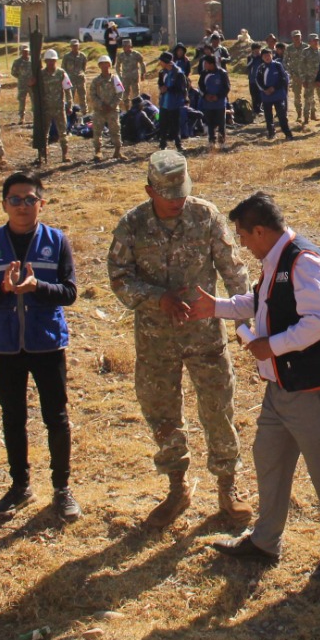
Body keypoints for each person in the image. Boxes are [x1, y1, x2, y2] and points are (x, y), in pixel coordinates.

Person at [192, 193, 320, 581]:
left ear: (261, 230)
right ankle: (266, 542)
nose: (244, 244)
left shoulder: (303, 260)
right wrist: (215, 307)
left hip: (310, 387)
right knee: (268, 458)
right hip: (282, 386)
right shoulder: (275, 260)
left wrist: (272, 345)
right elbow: (262, 303)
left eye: (244, 236)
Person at [108, 152, 254, 529]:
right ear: (149, 190)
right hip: (156, 341)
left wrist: (246, 320)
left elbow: (233, 269)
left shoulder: (205, 215)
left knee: (218, 410)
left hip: (205, 335)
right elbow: (120, 278)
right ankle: (177, 486)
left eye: (181, 192)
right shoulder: (132, 225)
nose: (177, 200)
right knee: (162, 414)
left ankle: (228, 484)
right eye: (168, 194)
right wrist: (158, 297)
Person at [0, 170, 81, 522]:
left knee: (56, 417)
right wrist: (1, 290)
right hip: (5, 346)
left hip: (46, 342)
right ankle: (20, 486)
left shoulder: (56, 240)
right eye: (15, 200)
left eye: (30, 199)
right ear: (4, 204)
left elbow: (70, 292)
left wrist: (37, 288)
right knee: (12, 417)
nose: (22, 206)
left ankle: (62, 489)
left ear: (41, 203)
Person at [34, 49, 72, 165]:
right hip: (45, 109)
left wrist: (69, 105)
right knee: (44, 133)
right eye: (49, 61)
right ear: (45, 61)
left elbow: (67, 90)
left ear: (56, 61)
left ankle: (65, 153)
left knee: (62, 132)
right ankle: (42, 154)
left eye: (53, 61)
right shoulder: (40, 74)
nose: (51, 63)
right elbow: (34, 90)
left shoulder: (61, 73)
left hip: (59, 107)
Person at [88, 56, 124, 161]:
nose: (104, 66)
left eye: (106, 63)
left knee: (115, 130)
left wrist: (112, 105)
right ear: (99, 66)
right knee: (97, 131)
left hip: (112, 110)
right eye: (102, 64)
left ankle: (117, 151)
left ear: (109, 65)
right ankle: (98, 151)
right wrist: (101, 105)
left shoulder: (115, 79)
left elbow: (120, 93)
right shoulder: (95, 81)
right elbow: (92, 94)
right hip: (99, 110)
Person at [255, 46, 293, 141]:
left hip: (278, 95)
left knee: (282, 116)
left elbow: (283, 79)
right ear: (262, 57)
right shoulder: (261, 68)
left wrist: (274, 88)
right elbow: (258, 81)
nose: (267, 57)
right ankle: (271, 132)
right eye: (265, 56)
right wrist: (265, 90)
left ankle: (288, 134)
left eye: (269, 55)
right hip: (266, 96)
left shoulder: (277, 65)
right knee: (268, 116)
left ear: (272, 55)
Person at [155, 52, 190, 153]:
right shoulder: (162, 72)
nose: (160, 63)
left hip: (174, 103)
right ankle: (163, 144)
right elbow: (160, 83)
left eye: (161, 61)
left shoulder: (178, 73)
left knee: (175, 125)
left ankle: (178, 144)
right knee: (163, 124)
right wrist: (161, 87)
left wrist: (168, 89)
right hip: (164, 103)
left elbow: (182, 88)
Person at [198, 53, 231, 149]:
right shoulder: (204, 73)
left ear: (212, 64)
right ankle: (211, 141)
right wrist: (205, 95)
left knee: (221, 123)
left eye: (206, 63)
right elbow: (200, 87)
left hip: (219, 103)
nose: (205, 65)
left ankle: (222, 142)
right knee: (210, 123)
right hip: (208, 103)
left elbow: (227, 87)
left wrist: (218, 96)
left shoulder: (222, 73)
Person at [286, 31, 317, 128]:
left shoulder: (306, 47)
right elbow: (284, 62)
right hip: (295, 76)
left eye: (298, 37)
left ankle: (313, 112)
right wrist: (291, 74)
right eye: (295, 37)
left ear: (301, 37)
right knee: (297, 96)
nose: (297, 38)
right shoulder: (289, 48)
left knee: (309, 95)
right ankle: (299, 114)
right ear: (292, 38)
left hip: (307, 75)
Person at [116, 38, 146, 111]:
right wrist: (119, 76)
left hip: (134, 77)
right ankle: (127, 110)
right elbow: (117, 66)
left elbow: (142, 63)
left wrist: (142, 74)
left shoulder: (136, 54)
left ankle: (137, 109)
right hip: (125, 78)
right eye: (123, 46)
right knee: (125, 95)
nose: (124, 48)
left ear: (130, 46)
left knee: (136, 94)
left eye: (126, 46)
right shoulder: (121, 55)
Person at [62, 39, 88, 111]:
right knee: (70, 97)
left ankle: (84, 112)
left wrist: (81, 74)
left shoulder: (82, 56)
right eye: (73, 46)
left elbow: (84, 67)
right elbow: (63, 68)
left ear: (78, 46)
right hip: (70, 80)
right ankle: (70, 112)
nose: (75, 47)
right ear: (71, 46)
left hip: (80, 80)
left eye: (76, 45)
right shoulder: (66, 56)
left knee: (83, 97)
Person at [11, 47, 34, 125]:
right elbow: (13, 72)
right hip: (22, 85)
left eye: (27, 51)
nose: (25, 53)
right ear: (21, 52)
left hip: (32, 85)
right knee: (22, 101)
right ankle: (21, 117)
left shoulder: (32, 61)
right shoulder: (17, 62)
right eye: (24, 51)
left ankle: (35, 116)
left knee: (34, 100)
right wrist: (21, 78)